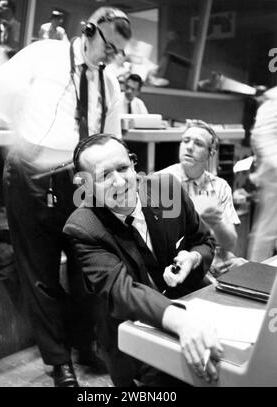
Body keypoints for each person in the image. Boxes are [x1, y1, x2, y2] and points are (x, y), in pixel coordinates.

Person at [0, 7, 131, 387]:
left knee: (88, 272)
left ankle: (85, 344)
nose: (110, 59)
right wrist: (21, 133)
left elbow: (112, 141)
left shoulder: (109, 85)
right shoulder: (43, 53)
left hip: (81, 182)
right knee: (40, 272)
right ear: (90, 30)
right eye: (108, 49)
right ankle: (59, 361)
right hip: (31, 177)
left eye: (117, 55)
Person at [64, 134, 223, 387]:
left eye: (123, 168)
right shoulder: (82, 227)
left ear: (133, 164)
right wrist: (180, 321)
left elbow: (204, 241)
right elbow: (121, 291)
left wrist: (192, 258)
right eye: (104, 176)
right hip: (133, 334)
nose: (119, 182)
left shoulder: (167, 189)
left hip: (195, 310)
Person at [158, 120, 244, 277]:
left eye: (198, 143)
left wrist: (217, 223)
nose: (189, 147)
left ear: (211, 153)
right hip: (182, 261)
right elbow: (159, 241)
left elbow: (230, 244)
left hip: (219, 259)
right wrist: (194, 214)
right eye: (186, 141)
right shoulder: (162, 181)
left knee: (251, 273)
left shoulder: (220, 186)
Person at [248, 87, 277, 261]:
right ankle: (255, 277)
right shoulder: (272, 103)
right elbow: (261, 136)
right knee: (268, 229)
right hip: (274, 171)